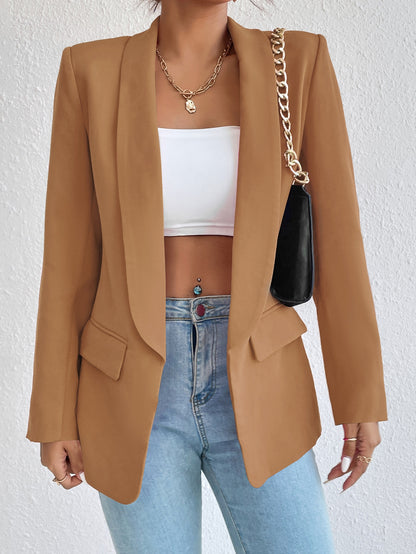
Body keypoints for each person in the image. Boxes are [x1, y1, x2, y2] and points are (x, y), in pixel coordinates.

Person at [26, 0, 388, 552]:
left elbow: (338, 241)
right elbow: (68, 260)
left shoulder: (297, 62)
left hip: (261, 375)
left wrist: (359, 393)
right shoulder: (89, 71)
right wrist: (54, 413)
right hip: (131, 386)